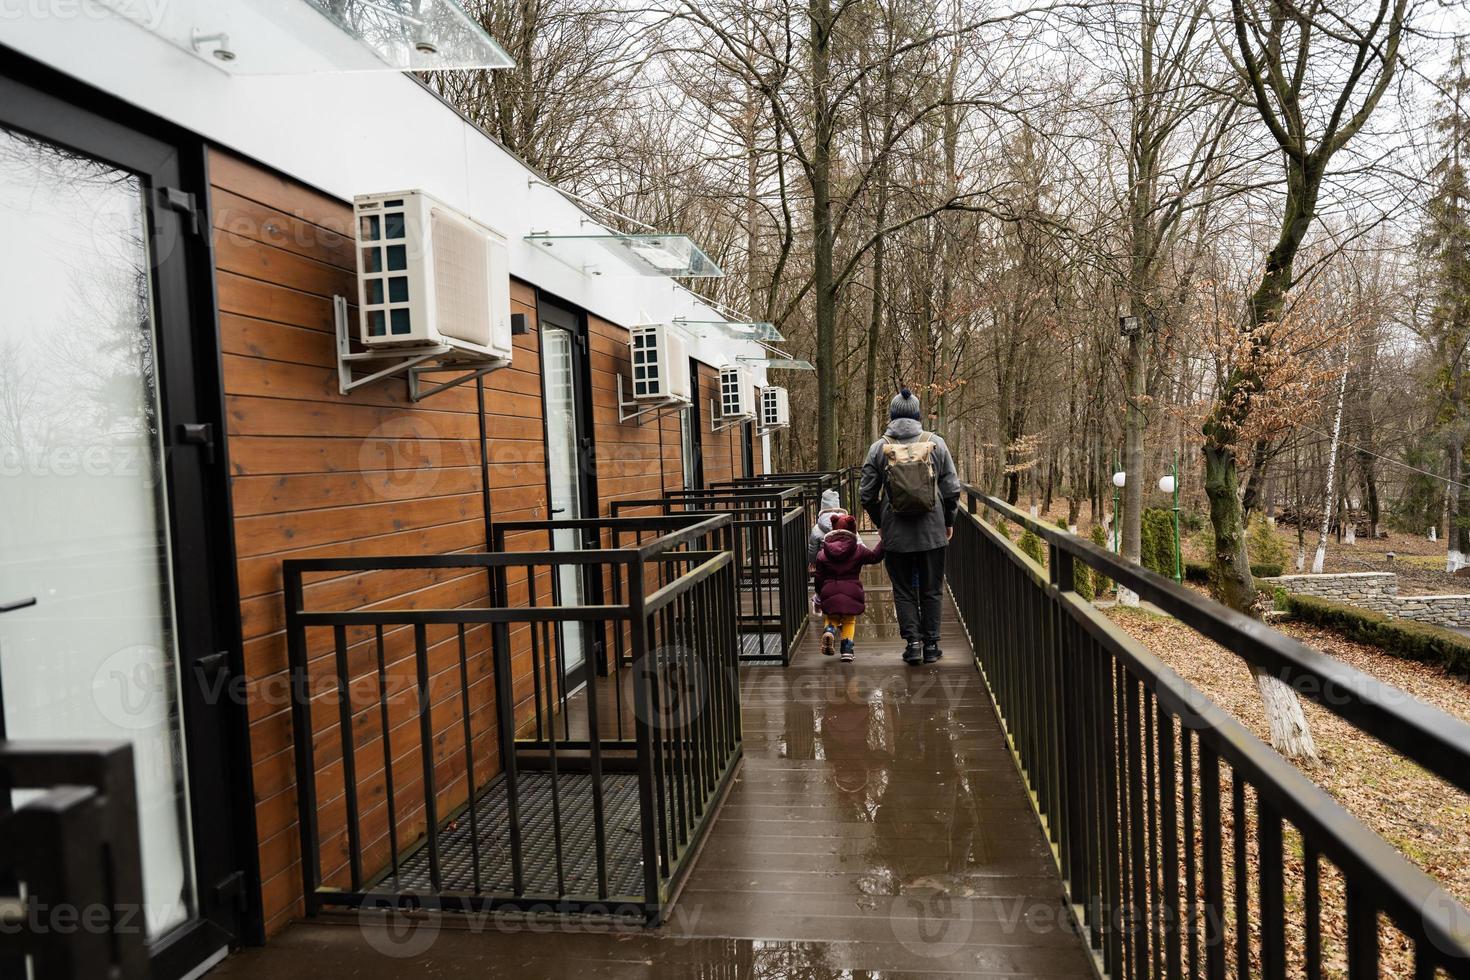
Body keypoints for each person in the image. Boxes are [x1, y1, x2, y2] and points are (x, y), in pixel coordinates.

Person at [860, 388, 962, 665]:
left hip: (896, 533)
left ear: (892, 415)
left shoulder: (878, 448)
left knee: (903, 590)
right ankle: (931, 646)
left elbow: (866, 494)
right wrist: (948, 521)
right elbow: (952, 489)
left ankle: (913, 645)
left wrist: (882, 523)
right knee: (931, 588)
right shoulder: (936, 443)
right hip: (932, 532)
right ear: (917, 415)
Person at [812, 513, 884, 662]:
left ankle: (830, 630)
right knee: (849, 620)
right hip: (851, 591)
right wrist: (884, 540)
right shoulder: (858, 550)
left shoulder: (822, 553)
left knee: (831, 615)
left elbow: (818, 577)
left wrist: (819, 592)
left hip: (829, 590)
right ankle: (847, 650)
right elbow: (875, 557)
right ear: (852, 530)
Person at [807, 488, 847, 564]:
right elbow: (857, 541)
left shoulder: (816, 528)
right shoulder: (847, 523)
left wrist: (812, 562)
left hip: (826, 563)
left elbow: (813, 549)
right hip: (845, 562)